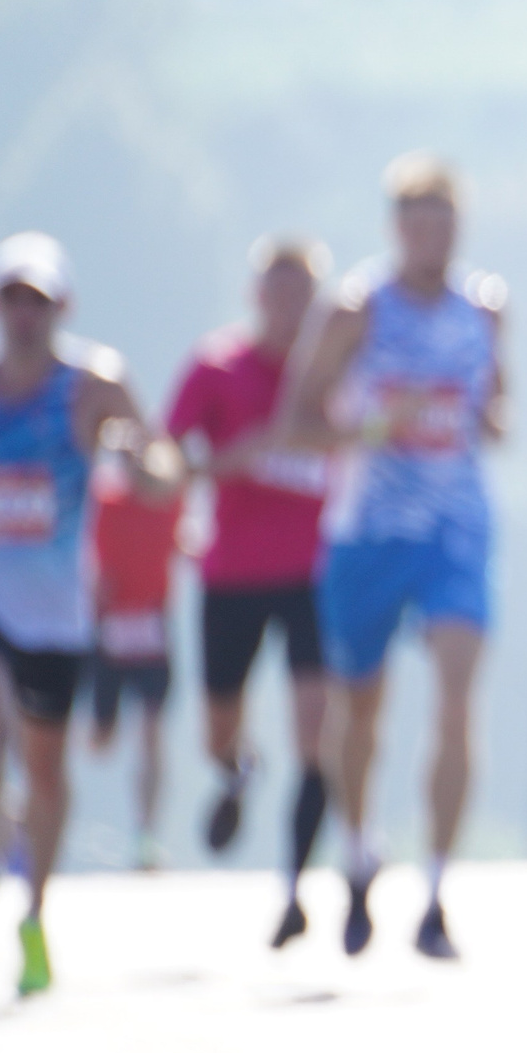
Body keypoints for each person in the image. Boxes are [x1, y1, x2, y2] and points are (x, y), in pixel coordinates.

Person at [280, 154, 506, 961]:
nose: (430, 238)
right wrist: (375, 426)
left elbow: (496, 406)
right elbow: (295, 424)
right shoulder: (355, 309)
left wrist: (473, 420)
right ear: (394, 228)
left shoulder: (485, 308)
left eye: (443, 222)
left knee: (455, 698)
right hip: (368, 531)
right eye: (415, 223)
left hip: (455, 528)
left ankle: (439, 890)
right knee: (361, 711)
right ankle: (360, 851)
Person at [0, 233, 179, 996]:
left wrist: (132, 455)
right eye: (13, 298)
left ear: (62, 307)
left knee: (45, 768)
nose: (26, 314)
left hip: (56, 612)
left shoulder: (93, 385)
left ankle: (33, 912)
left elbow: (164, 471)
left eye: (41, 300)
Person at [165, 234, 334, 946]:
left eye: (305, 294)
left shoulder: (333, 375)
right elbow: (165, 454)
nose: (290, 307)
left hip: (314, 575)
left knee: (317, 732)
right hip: (231, 571)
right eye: (279, 291)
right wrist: (232, 460)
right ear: (255, 296)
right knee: (217, 729)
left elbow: (369, 435)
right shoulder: (217, 365)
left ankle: (295, 885)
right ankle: (235, 771)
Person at [82, 436, 187, 868]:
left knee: (150, 731)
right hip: (108, 632)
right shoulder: (103, 502)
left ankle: (145, 834)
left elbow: (185, 536)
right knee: (100, 739)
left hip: (152, 631)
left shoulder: (170, 501)